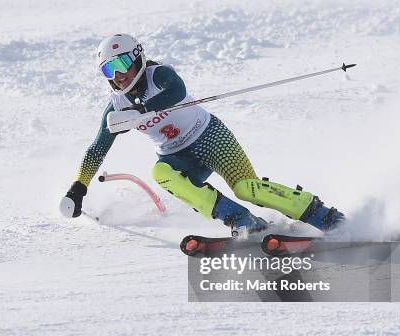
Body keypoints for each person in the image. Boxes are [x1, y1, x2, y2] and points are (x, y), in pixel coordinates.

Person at [60, 33, 344, 236]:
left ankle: (321, 214)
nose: (118, 75)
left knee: (246, 188)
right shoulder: (117, 106)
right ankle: (242, 220)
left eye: (121, 64)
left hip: (210, 137)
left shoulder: (158, 75)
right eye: (108, 70)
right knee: (160, 172)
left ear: (138, 59)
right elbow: (97, 148)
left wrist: (142, 111)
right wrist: (79, 187)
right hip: (177, 157)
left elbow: (177, 91)